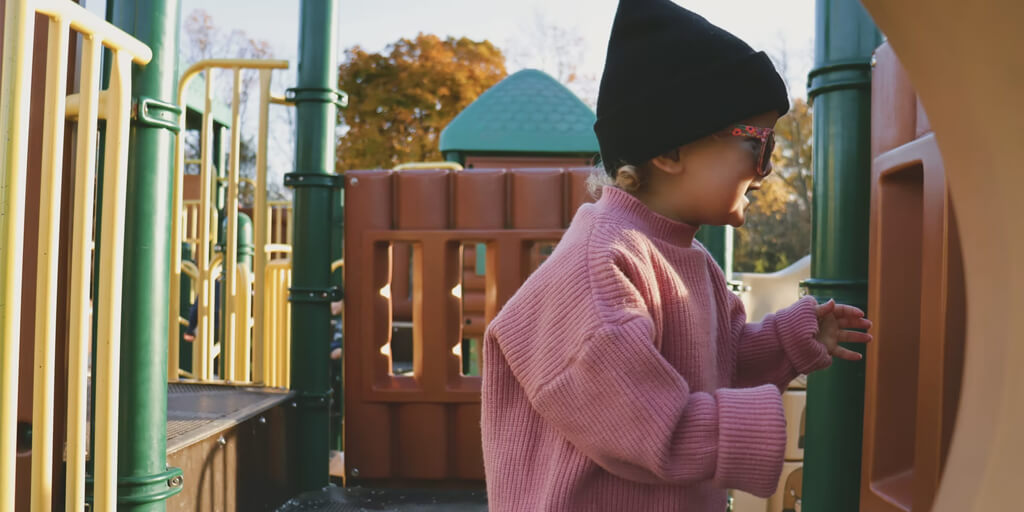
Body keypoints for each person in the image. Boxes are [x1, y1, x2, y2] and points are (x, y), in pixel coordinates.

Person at [480, 1, 873, 510]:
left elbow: (718, 364)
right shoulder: (601, 267)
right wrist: (763, 426)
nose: (767, 169)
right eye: (759, 144)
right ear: (668, 150)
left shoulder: (688, 256)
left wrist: (784, 341)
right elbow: (652, 426)